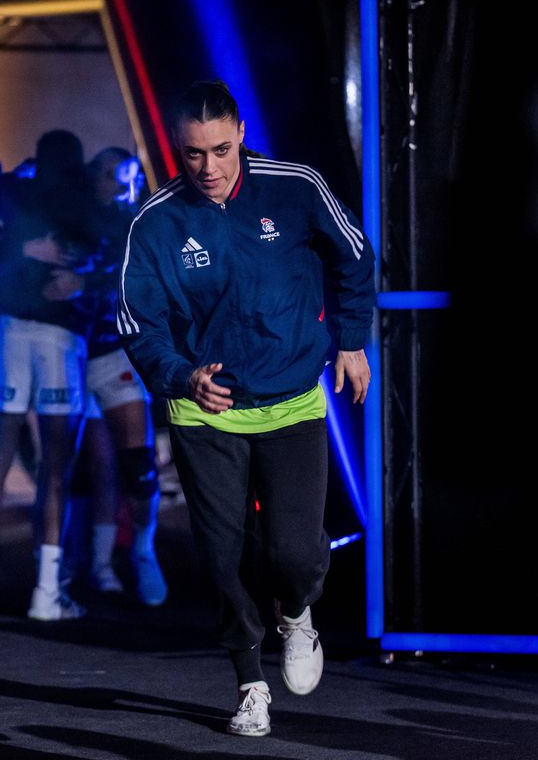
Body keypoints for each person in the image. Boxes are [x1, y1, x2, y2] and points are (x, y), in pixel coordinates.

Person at [117, 81, 374, 737]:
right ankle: (249, 682)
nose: (209, 168)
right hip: (205, 413)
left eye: (222, 149)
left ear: (240, 132)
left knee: (293, 553)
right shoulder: (155, 220)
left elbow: (353, 255)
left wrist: (350, 342)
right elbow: (136, 321)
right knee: (223, 556)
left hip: (290, 401)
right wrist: (180, 376)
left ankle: (299, 613)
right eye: (194, 154)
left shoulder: (294, 185)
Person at [0, 130, 95, 621]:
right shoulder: (84, 201)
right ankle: (46, 593)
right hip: (60, 338)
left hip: (13, 331)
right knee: (54, 469)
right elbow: (107, 254)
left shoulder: (16, 196)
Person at [74, 147, 168, 606]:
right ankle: (100, 564)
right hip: (75, 354)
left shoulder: (138, 219)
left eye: (128, 176)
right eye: (113, 175)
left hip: (117, 353)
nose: (120, 184)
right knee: (101, 468)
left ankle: (145, 552)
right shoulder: (75, 214)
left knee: (138, 464)